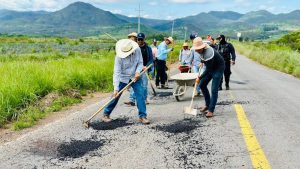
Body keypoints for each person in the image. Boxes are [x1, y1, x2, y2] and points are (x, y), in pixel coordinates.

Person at [102, 39, 150, 124]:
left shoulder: (137, 50)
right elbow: (116, 73)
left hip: (135, 77)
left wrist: (138, 72)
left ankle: (142, 116)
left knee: (140, 95)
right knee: (115, 95)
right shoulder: (118, 57)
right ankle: (106, 114)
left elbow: (140, 62)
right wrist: (116, 89)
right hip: (123, 77)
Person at [193, 37, 225, 118]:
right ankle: (207, 105)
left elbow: (208, 69)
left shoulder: (209, 52)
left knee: (214, 90)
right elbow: (203, 58)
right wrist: (202, 62)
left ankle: (211, 110)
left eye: (197, 49)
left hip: (218, 68)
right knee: (202, 85)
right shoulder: (200, 51)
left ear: (202, 47)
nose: (196, 50)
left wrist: (199, 77)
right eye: (195, 49)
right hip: (211, 66)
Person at [124, 33, 154, 106]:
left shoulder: (148, 48)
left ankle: (144, 99)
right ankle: (132, 100)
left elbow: (151, 59)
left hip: (144, 69)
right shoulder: (134, 48)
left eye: (141, 39)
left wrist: (146, 66)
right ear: (137, 40)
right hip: (135, 69)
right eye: (138, 39)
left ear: (144, 39)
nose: (140, 41)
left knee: (144, 85)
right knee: (133, 84)